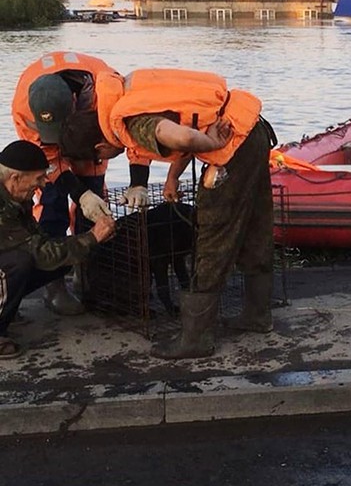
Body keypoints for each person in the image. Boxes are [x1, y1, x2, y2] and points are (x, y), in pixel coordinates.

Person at [58, 68, 277, 359]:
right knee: (255, 225)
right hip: (251, 126)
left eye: (99, 158)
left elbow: (182, 136)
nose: (104, 161)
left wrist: (212, 143)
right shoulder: (129, 93)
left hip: (232, 144)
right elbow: (189, 117)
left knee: (213, 234)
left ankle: (196, 338)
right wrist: (173, 177)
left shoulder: (133, 123)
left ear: (100, 147)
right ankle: (257, 315)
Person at [11, 52, 151, 315]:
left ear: (75, 101)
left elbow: (135, 133)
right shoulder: (24, 105)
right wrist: (79, 194)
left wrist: (138, 182)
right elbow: (48, 161)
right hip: (46, 148)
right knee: (52, 204)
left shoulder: (108, 91)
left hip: (90, 143)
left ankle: (88, 273)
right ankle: (54, 286)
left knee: (95, 205)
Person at [0, 140, 116, 359]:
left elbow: (38, 240)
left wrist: (83, 243)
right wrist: (92, 237)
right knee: (19, 262)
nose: (44, 184)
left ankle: (6, 307)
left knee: (61, 261)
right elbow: (39, 254)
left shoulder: (14, 193)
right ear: (15, 177)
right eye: (39, 178)